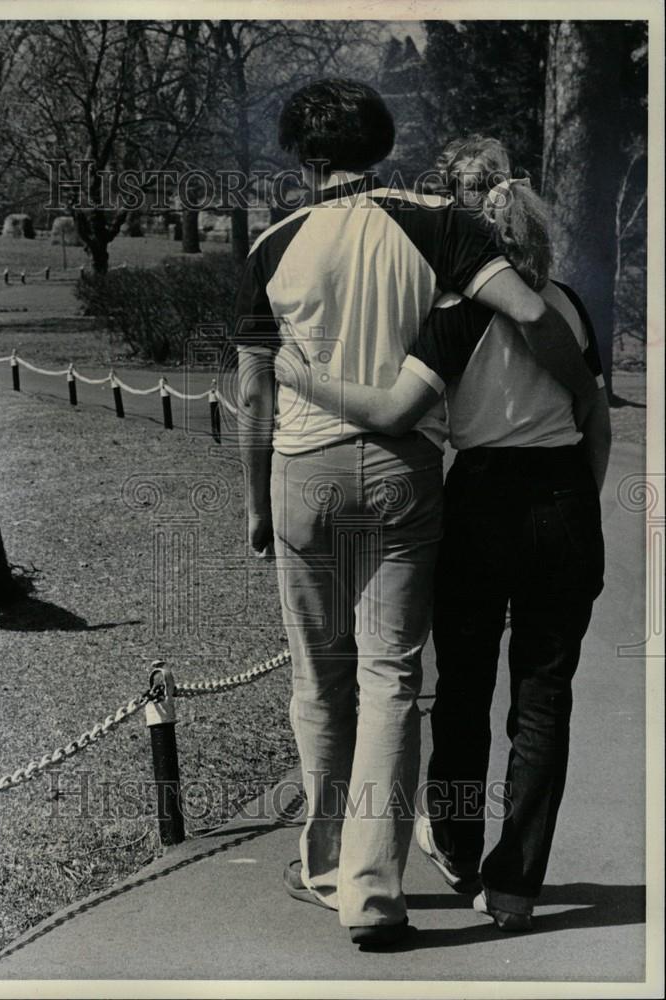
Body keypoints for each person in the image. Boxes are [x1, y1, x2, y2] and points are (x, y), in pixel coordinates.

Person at [234, 82, 598, 949]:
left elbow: (254, 390)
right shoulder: (438, 221)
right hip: (401, 474)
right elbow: (530, 311)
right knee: (391, 678)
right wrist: (581, 391)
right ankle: (373, 889)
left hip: (306, 469)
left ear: (301, 155)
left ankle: (324, 865)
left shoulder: (270, 244)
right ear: (384, 144)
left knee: (320, 679)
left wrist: (254, 503)